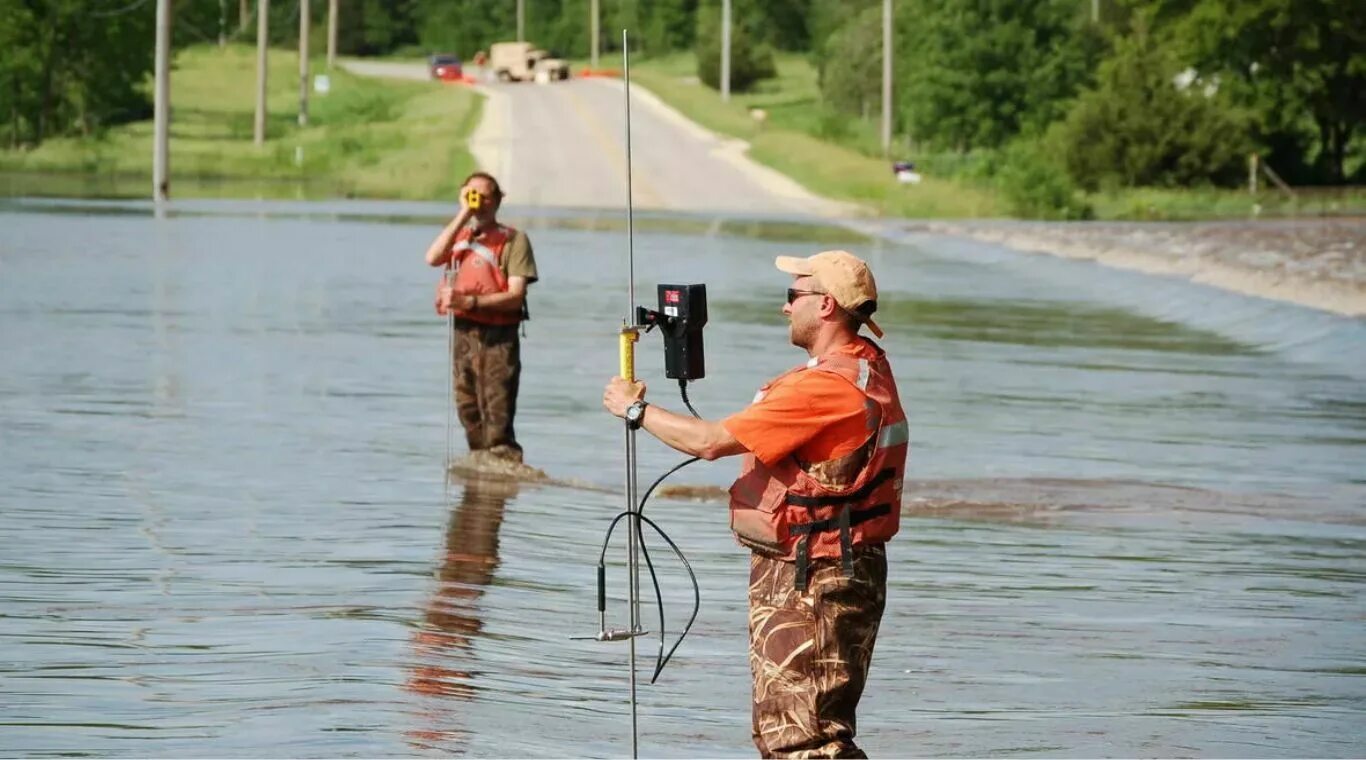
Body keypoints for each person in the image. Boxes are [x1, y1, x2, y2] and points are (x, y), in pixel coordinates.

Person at [602, 250, 908, 758]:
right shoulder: (864, 366)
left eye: (795, 296)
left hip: (813, 579)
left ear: (826, 306)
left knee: (804, 740)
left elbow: (710, 441)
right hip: (830, 568)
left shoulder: (822, 389)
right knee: (787, 731)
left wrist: (634, 408)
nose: (786, 308)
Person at [426, 172, 538, 463]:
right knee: (468, 409)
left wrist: (470, 301)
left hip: (498, 337)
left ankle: (504, 465)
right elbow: (432, 257)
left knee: (496, 409)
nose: (480, 202)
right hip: (464, 333)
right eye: (472, 195)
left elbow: (516, 295)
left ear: (498, 200)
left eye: (486, 196)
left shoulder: (514, 240)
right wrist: (464, 213)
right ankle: (481, 483)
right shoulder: (458, 236)